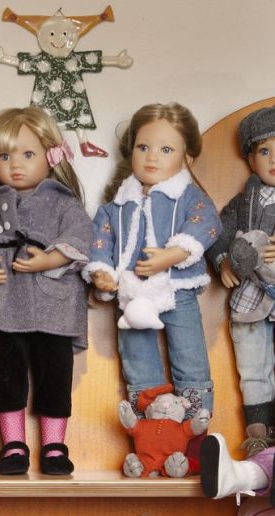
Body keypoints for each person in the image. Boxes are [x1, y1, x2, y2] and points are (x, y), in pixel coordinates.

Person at [0, 106, 92, 475]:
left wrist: (51, 259)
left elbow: (82, 237)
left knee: (55, 375)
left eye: (28, 154)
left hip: (52, 306)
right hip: (0, 305)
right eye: (4, 156)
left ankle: (54, 446)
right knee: (5, 376)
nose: (16, 165)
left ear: (51, 157)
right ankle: (13, 444)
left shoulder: (64, 203)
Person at [84, 102, 220, 420]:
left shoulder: (189, 197)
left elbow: (208, 224)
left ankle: (194, 422)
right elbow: (99, 241)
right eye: (143, 147)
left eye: (166, 149)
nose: (152, 157)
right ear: (131, 150)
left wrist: (173, 254)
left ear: (187, 158)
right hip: (132, 292)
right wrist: (101, 272)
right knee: (137, 356)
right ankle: (149, 426)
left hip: (176, 288)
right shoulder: (116, 206)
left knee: (189, 352)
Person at [207, 106, 275, 454]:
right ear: (250, 159)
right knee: (252, 369)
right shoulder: (241, 203)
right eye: (264, 151)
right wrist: (223, 263)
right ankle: (259, 437)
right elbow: (218, 234)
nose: (274, 159)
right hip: (250, 297)